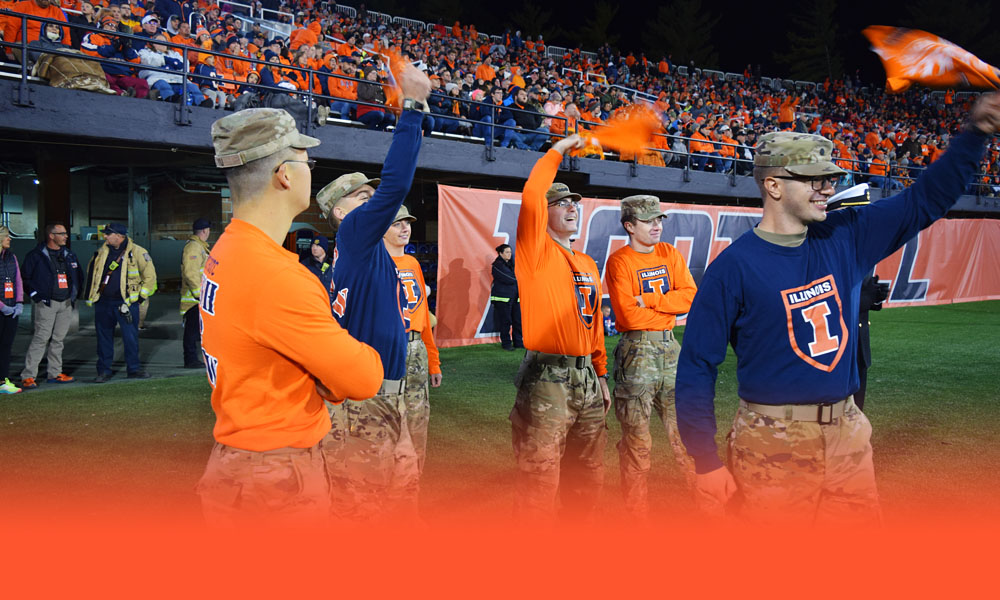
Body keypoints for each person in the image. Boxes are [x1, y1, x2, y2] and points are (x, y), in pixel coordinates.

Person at [675, 93, 1000, 526]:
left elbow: (926, 200)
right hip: (772, 441)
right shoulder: (732, 269)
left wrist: (975, 134)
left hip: (848, 433)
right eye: (813, 179)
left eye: (829, 177)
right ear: (773, 186)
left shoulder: (846, 236)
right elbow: (697, 367)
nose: (828, 187)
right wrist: (705, 461)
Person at [195, 108, 383, 527]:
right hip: (274, 476)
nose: (311, 171)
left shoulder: (229, 247)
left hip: (240, 457)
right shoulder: (278, 275)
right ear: (284, 175)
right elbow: (364, 378)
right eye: (307, 162)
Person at [315, 61, 431, 521]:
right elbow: (398, 183)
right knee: (367, 506)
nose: (373, 202)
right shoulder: (356, 233)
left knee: (394, 491)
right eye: (361, 197)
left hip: (379, 388)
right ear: (341, 212)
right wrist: (414, 109)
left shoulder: (365, 248)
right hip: (369, 394)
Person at [510, 134, 611, 520]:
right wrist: (558, 150)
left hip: (585, 375)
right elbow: (533, 192)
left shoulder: (586, 261)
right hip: (547, 376)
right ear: (544, 212)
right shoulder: (534, 251)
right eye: (562, 202)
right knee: (539, 476)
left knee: (588, 473)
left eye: (575, 203)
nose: (572, 207)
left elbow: (594, 325)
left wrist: (600, 374)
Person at [605, 195, 698, 519]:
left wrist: (649, 299)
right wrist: (664, 305)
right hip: (637, 352)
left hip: (671, 348)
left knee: (686, 430)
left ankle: (703, 502)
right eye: (648, 221)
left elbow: (690, 297)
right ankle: (636, 513)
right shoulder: (620, 262)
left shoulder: (669, 253)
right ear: (630, 225)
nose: (657, 225)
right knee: (637, 438)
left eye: (659, 219)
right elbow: (629, 317)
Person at [382, 205, 442, 489]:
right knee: (387, 417)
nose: (405, 228)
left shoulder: (413, 264)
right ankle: (388, 481)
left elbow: (423, 316)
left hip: (415, 349)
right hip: (386, 349)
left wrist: (434, 361)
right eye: (397, 224)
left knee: (418, 416)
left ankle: (413, 481)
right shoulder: (374, 262)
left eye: (407, 223)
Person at [826, 184, 889, 411]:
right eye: (856, 215)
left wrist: (873, 299)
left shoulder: (860, 247)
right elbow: (822, 304)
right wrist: (862, 300)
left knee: (855, 418)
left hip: (858, 347)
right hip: (833, 351)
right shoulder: (825, 252)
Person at [85, 222, 156, 383]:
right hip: (103, 302)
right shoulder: (101, 251)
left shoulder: (138, 252)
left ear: (120, 236)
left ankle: (133, 369)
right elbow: (93, 275)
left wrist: (139, 298)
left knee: (130, 338)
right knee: (103, 338)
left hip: (126, 304)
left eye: (108, 234)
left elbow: (150, 277)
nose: (105, 236)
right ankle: (104, 371)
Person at [19, 222, 82, 389]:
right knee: (41, 339)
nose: (66, 236)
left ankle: (54, 373)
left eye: (65, 233)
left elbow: (78, 276)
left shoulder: (69, 255)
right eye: (62, 233)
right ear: (51, 236)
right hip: (47, 304)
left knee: (58, 340)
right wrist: (36, 296)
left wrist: (74, 296)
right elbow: (25, 278)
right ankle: (28, 375)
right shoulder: (36, 255)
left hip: (66, 303)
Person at [180, 218, 210, 369]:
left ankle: (193, 359)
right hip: (194, 299)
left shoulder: (199, 247)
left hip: (199, 298)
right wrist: (199, 294)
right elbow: (190, 272)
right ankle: (190, 360)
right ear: (205, 231)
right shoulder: (194, 248)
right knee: (191, 331)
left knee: (195, 330)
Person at [0, 227, 23, 394]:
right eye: (7, 236)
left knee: (6, 346)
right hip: (3, 308)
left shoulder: (11, 257)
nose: (10, 239)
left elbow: (18, 281)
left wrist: (19, 302)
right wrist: (3, 307)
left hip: (11, 308)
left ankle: (3, 380)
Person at [489, 243, 522, 350]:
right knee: (505, 322)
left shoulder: (512, 264)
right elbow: (510, 279)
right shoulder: (497, 265)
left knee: (517, 321)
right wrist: (519, 278)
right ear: (500, 253)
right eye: (507, 252)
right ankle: (506, 344)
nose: (509, 254)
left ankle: (518, 342)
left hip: (515, 298)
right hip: (502, 299)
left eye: (510, 252)